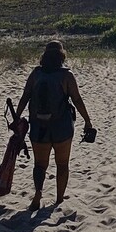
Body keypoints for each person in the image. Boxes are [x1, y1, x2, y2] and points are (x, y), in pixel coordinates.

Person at [14, 41, 94, 210]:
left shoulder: (36, 74)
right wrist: (87, 120)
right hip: (62, 128)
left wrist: (17, 117)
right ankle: (58, 199)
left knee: (39, 165)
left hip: (39, 128)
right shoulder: (67, 75)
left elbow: (25, 96)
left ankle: (38, 192)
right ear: (61, 56)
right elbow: (77, 100)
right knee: (62, 164)